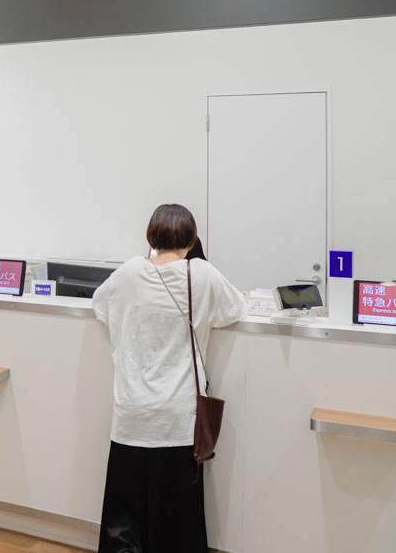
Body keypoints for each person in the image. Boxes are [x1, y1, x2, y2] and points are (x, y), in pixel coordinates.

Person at [91, 204, 246, 553]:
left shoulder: (129, 272)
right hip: (178, 418)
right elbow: (236, 308)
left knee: (125, 517)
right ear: (192, 240)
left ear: (151, 236)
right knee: (177, 517)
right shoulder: (201, 274)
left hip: (132, 414)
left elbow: (99, 306)